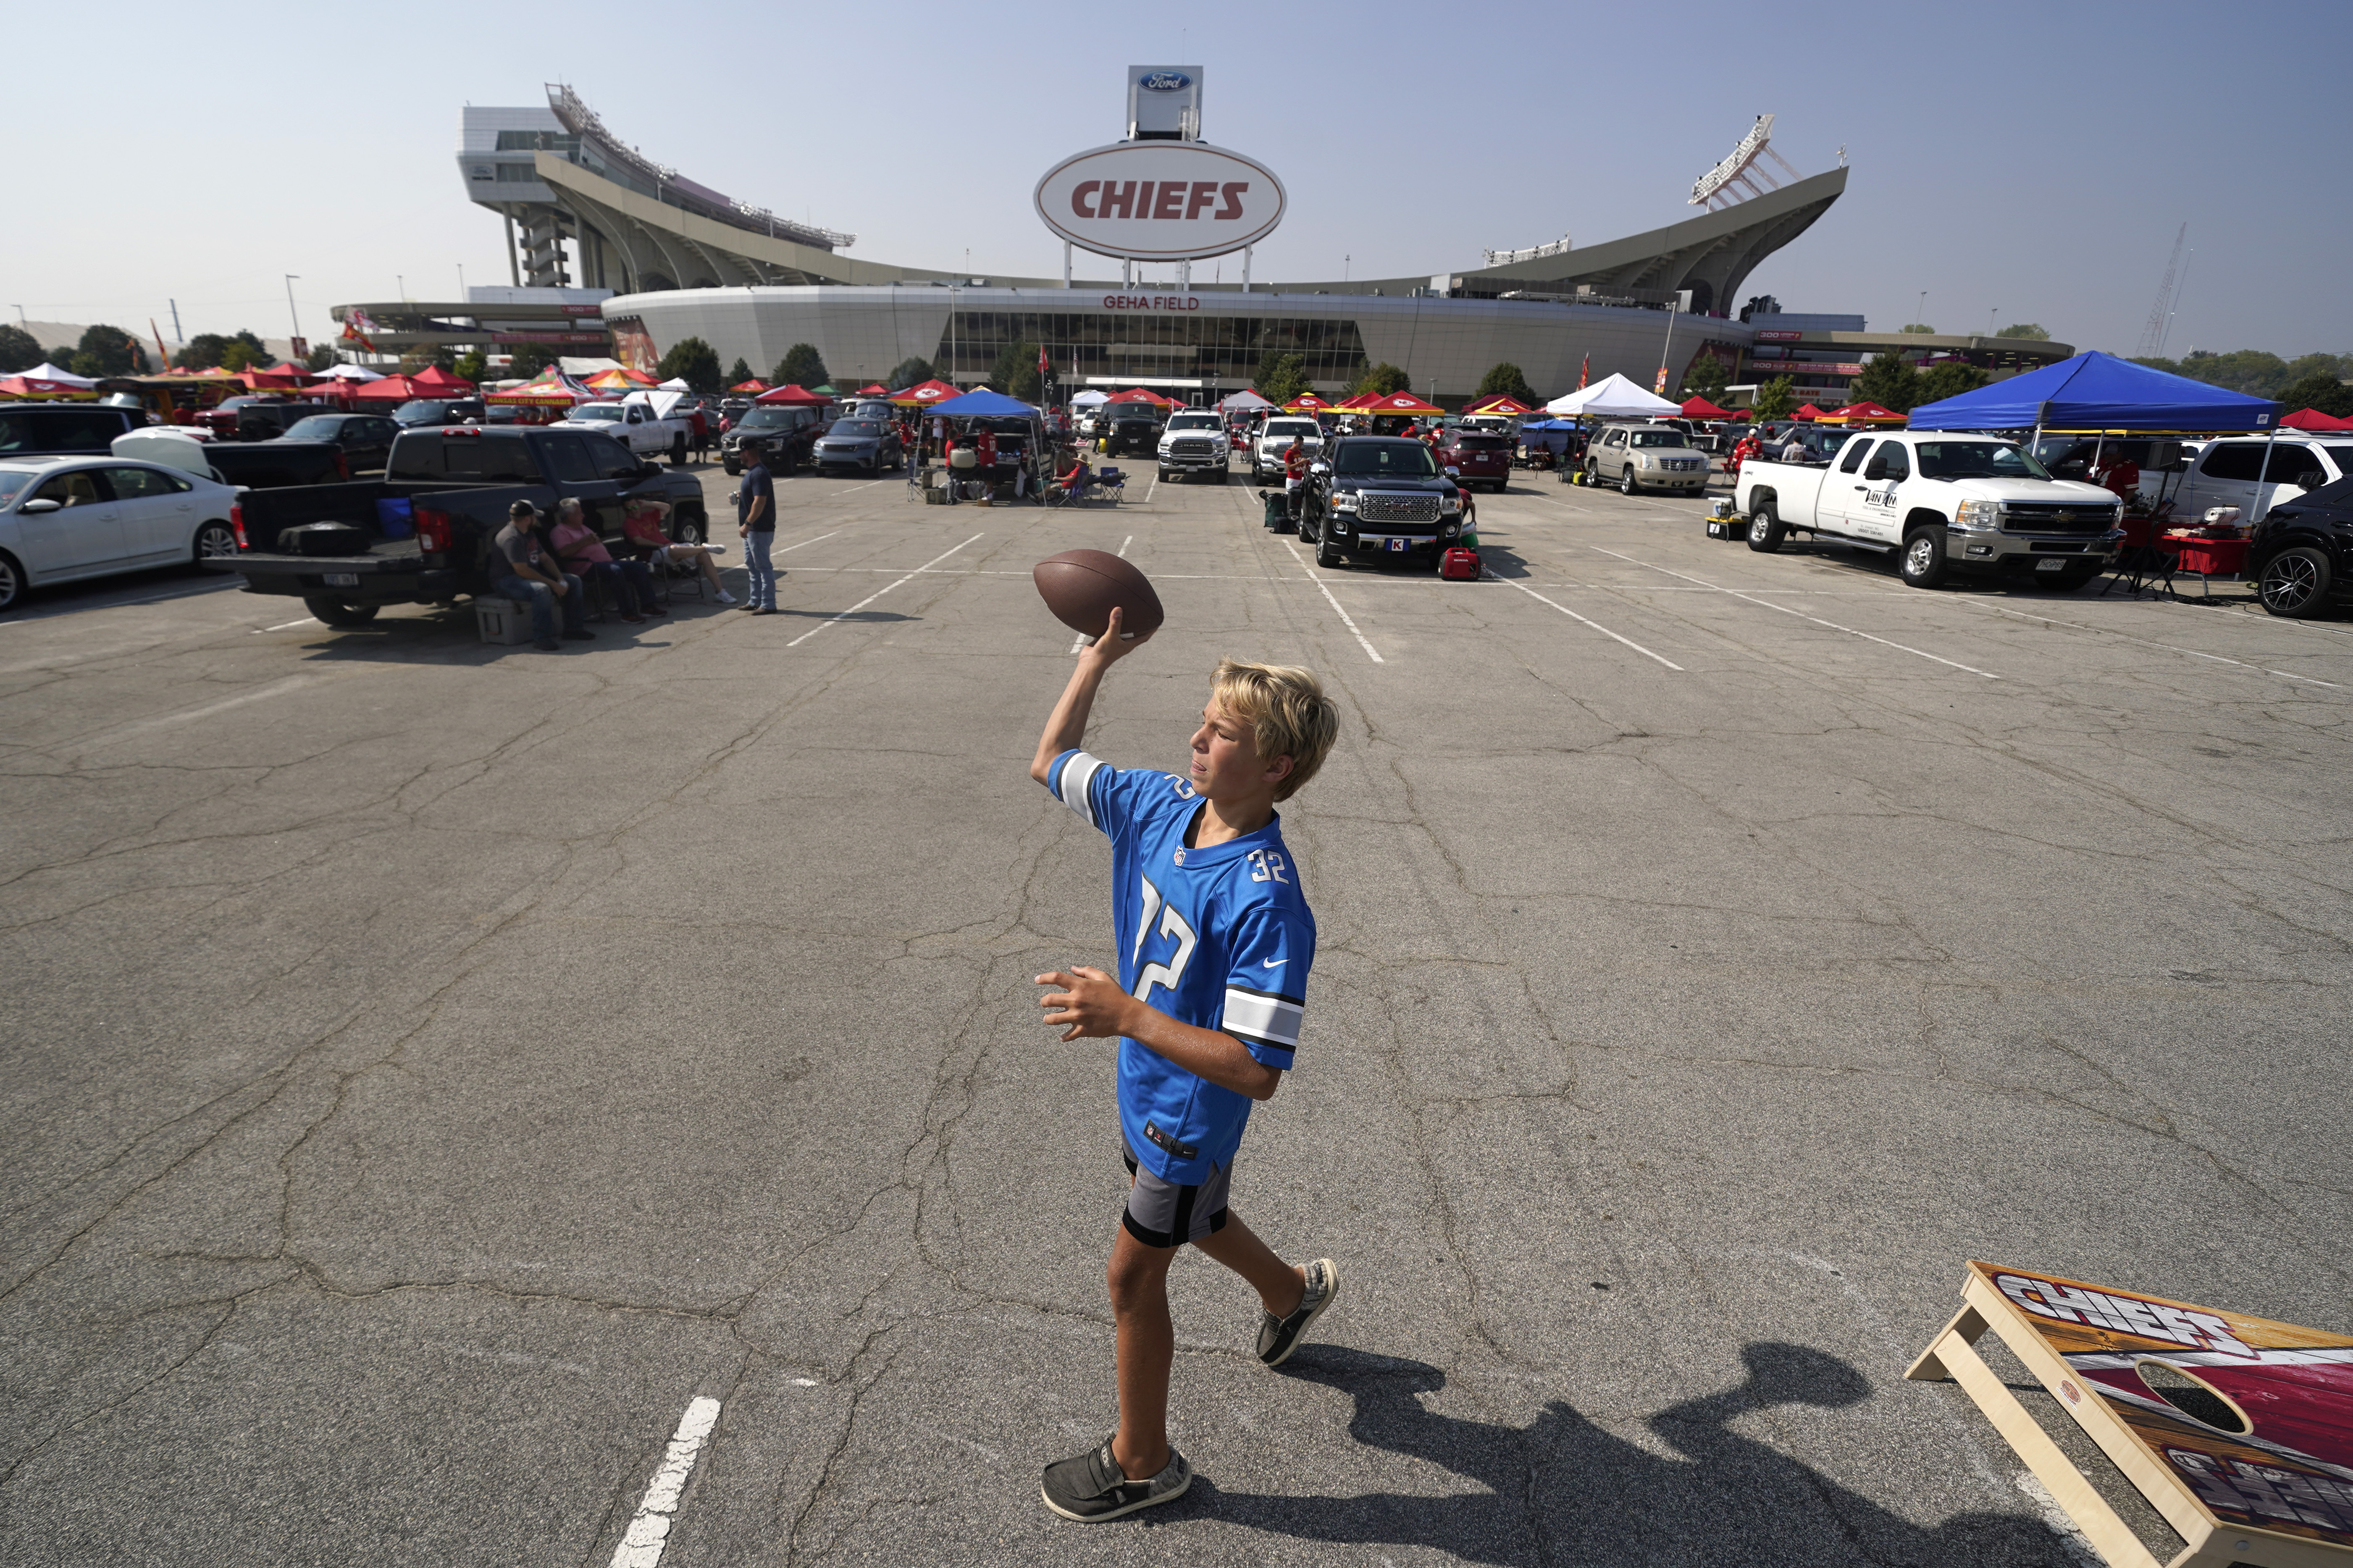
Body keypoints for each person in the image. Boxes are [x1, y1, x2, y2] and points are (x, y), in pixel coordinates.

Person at [1028, 632, 1342, 1523]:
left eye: (1222, 733)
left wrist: (1126, 1015)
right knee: (1192, 1214)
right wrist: (1094, 662)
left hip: (1186, 1111)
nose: (1195, 740)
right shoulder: (1162, 806)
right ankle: (1291, 1291)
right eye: (1200, 722)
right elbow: (1049, 760)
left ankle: (1142, 1463)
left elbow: (1254, 1068)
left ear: (1276, 765)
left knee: (1131, 1277)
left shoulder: (1264, 897)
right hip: (1147, 1087)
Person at [491, 500, 591, 652]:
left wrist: (560, 578)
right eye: (534, 517)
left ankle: (574, 630)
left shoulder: (529, 534)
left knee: (574, 581)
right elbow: (522, 570)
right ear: (527, 519)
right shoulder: (511, 538)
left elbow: (545, 559)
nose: (537, 520)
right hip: (507, 580)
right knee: (541, 590)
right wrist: (553, 584)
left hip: (529, 575)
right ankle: (542, 638)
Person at [548, 498, 654, 624]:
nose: (583, 516)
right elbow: (562, 553)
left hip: (606, 562)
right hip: (586, 567)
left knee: (638, 567)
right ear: (569, 516)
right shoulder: (560, 531)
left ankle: (648, 607)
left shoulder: (583, 527)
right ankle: (627, 613)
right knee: (616, 571)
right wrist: (583, 543)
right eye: (579, 513)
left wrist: (595, 540)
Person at [620, 498, 735, 604]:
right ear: (625, 511)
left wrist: (647, 504)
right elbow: (638, 541)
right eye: (629, 509)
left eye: (635, 507)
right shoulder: (629, 523)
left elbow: (667, 508)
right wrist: (659, 545)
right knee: (674, 549)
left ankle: (721, 592)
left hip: (668, 547)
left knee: (704, 556)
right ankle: (704, 547)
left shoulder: (647, 516)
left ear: (639, 507)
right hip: (653, 553)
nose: (633, 511)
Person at [737, 443, 777, 615]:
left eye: (739, 453)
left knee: (763, 566)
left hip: (759, 529)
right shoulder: (753, 472)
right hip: (753, 530)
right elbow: (754, 495)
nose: (738, 456)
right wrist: (739, 495)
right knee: (752, 566)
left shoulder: (759, 473)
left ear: (747, 452)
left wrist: (748, 523)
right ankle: (755, 601)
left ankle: (768, 604)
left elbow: (760, 501)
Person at [1282, 435, 1309, 525]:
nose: (1301, 447)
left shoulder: (1298, 452)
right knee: (1291, 499)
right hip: (1292, 479)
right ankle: (1289, 520)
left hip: (1299, 478)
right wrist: (1300, 462)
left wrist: (1305, 464)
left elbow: (1299, 466)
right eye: (1300, 445)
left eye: (1302, 445)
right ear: (1295, 442)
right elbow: (1289, 467)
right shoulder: (1288, 453)